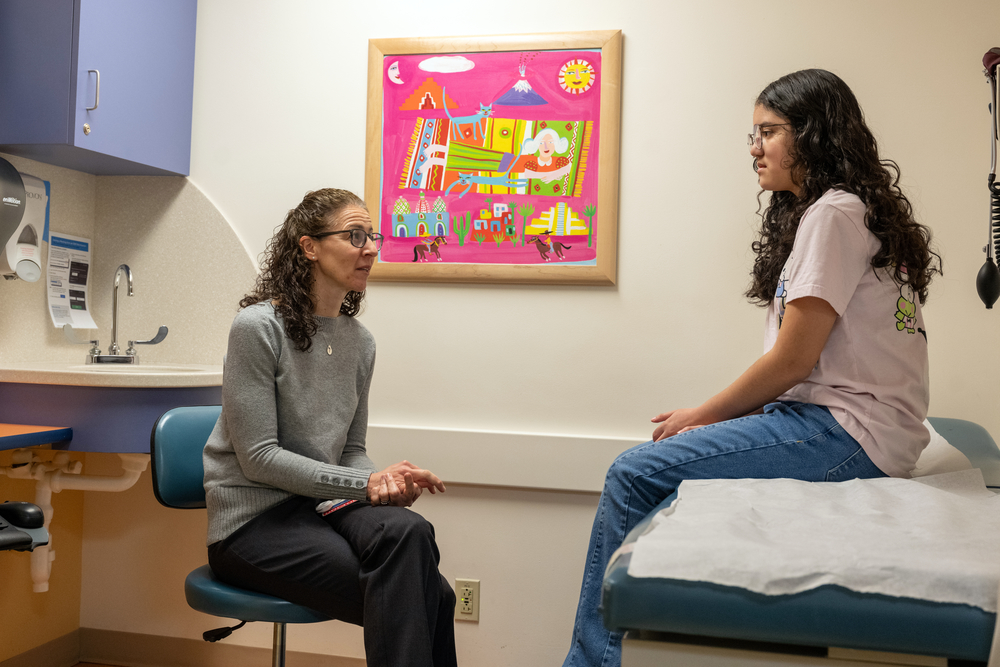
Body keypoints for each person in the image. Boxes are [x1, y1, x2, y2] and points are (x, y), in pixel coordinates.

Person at [561, 69, 942, 667]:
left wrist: (702, 415)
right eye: (752, 135)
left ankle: (589, 663)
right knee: (656, 464)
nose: (755, 148)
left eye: (769, 132)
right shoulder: (849, 211)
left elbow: (794, 359)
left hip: (849, 431)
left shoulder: (834, 215)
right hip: (862, 427)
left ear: (813, 134)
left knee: (633, 473)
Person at [203, 188, 457, 667]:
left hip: (321, 508)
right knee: (431, 597)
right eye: (354, 235)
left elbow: (352, 449)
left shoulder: (360, 342)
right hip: (252, 524)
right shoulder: (257, 328)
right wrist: (364, 483)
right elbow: (258, 458)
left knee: (410, 530)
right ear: (309, 247)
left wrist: (384, 485)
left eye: (372, 237)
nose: (370, 249)